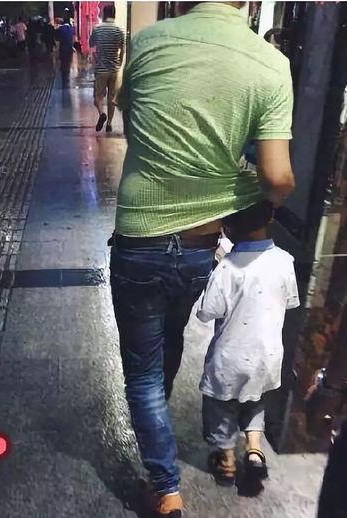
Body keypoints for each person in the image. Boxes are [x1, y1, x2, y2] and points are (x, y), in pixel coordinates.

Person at [111, 3, 296, 516]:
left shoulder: (150, 40)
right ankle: (161, 423)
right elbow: (278, 178)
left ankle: (166, 489)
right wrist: (244, 188)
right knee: (169, 340)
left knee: (143, 373)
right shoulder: (270, 64)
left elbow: (133, 118)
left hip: (139, 236)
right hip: (201, 246)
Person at [197, 201, 300, 486]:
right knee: (255, 400)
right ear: (270, 218)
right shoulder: (285, 260)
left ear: (227, 229)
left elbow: (207, 312)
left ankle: (227, 458)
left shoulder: (227, 268)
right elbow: (290, 301)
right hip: (267, 356)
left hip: (229, 358)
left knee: (220, 405)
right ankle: (254, 451)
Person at [90, 5, 125, 133]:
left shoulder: (97, 29)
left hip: (101, 69)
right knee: (111, 98)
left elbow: (92, 47)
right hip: (114, 69)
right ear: (114, 14)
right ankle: (109, 124)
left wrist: (96, 60)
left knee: (98, 97)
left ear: (103, 14)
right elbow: (122, 50)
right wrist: (119, 63)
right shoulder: (119, 30)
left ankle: (101, 113)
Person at [55, 16, 75, 87]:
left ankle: (64, 78)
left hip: (63, 49)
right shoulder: (72, 28)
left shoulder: (60, 29)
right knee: (68, 63)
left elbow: (57, 38)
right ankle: (67, 76)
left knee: (63, 63)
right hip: (70, 48)